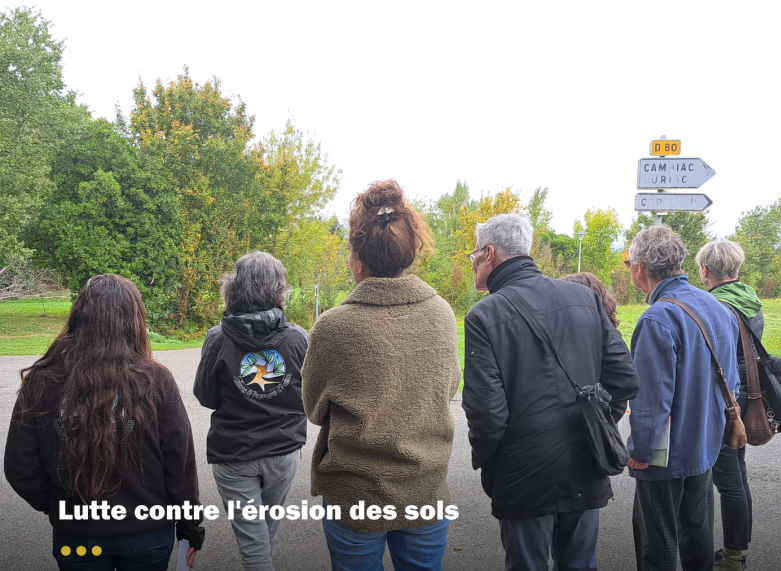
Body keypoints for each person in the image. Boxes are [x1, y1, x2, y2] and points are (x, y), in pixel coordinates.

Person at [462, 213, 639, 571]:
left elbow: (486, 413)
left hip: (522, 471)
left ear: (490, 253)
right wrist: (598, 423)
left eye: (474, 254)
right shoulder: (584, 298)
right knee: (580, 564)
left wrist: (492, 462)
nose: (473, 263)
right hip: (586, 460)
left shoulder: (484, 316)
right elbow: (624, 378)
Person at [302, 180, 462, 571]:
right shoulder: (441, 313)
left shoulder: (333, 326)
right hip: (425, 490)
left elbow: (313, 408)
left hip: (355, 494)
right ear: (411, 252)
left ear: (358, 260)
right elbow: (450, 386)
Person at [5, 274, 203, 571]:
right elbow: (180, 466)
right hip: (146, 533)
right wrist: (191, 528)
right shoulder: (156, 379)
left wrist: (59, 507)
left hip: (78, 535)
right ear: (134, 319)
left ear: (78, 316)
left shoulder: (42, 380)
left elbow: (21, 466)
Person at [625, 226, 740, 571]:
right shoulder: (716, 306)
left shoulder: (658, 317)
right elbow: (731, 380)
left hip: (665, 455)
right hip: (705, 444)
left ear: (640, 267)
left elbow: (651, 400)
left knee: (657, 541)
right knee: (698, 532)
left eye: (628, 262)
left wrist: (641, 451)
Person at [193, 251, 307, 571]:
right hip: (283, 452)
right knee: (263, 536)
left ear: (233, 288)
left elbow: (205, 396)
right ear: (280, 289)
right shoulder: (299, 339)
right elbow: (307, 397)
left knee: (254, 541)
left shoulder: (217, 338)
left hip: (234, 455)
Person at [696, 240, 764, 570]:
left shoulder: (715, 306)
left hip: (726, 399)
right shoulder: (750, 299)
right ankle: (739, 548)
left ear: (706, 271)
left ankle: (734, 556)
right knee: (738, 473)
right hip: (747, 395)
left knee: (728, 480)